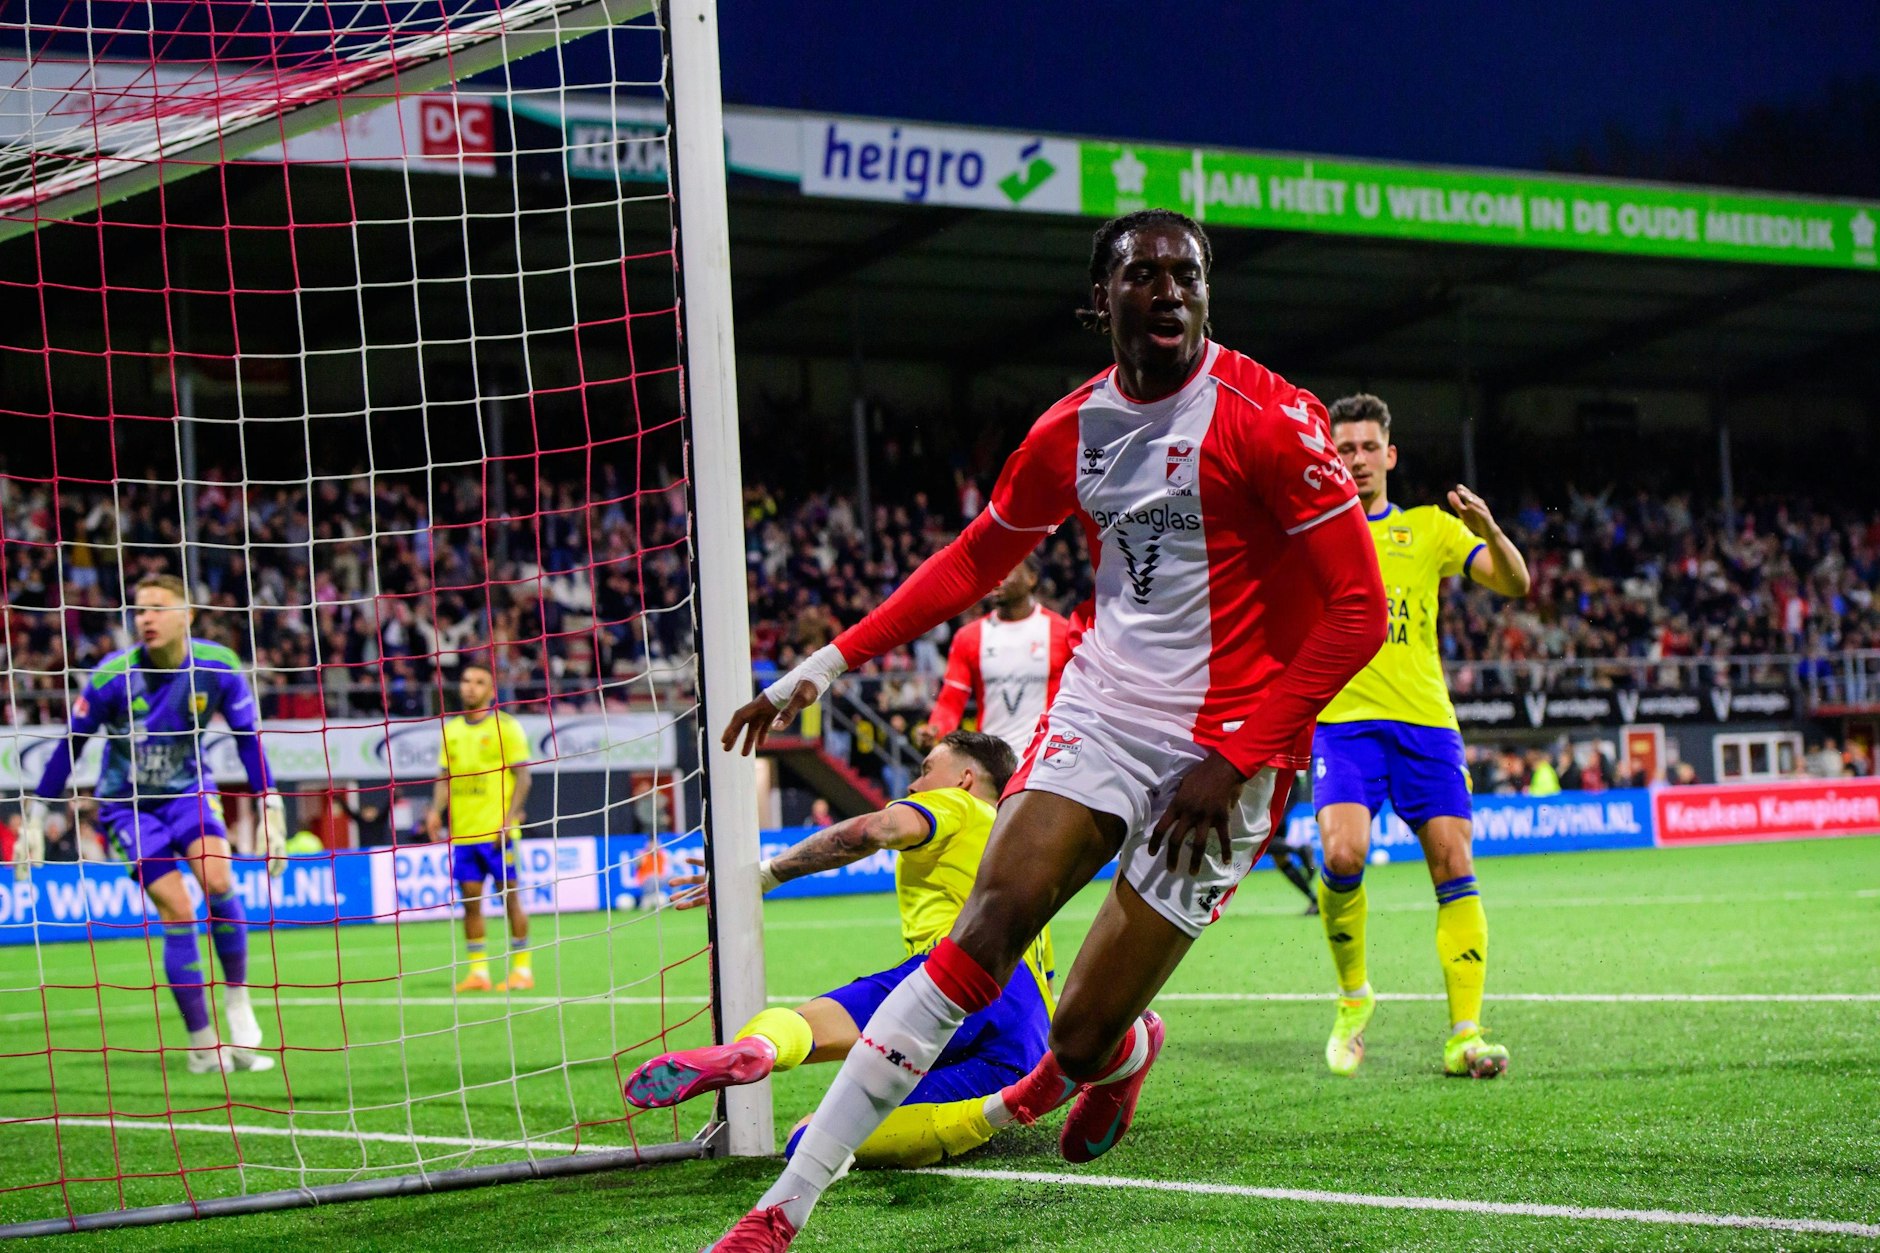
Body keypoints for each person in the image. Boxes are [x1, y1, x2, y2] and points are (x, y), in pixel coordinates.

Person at [706, 208, 1387, 1249]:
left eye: (1187, 277)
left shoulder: (1269, 416)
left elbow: (1356, 610)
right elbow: (973, 558)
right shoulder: (1068, 430)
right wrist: (824, 662)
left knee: (1075, 1031)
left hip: (1233, 746)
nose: (1168, 293)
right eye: (1143, 276)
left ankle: (1114, 1055)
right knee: (988, 919)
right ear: (1099, 299)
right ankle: (781, 1209)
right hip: (1105, 706)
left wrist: (1241, 754)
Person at [624, 731, 1054, 1169]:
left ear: (964, 779)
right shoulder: (1021, 843)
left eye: (925, 770)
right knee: (810, 1138)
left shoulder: (956, 803)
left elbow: (875, 829)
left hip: (956, 970)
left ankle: (762, 1046)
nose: (913, 786)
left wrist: (765, 875)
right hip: (1028, 1024)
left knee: (804, 1044)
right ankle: (1006, 1106)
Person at [1310, 393, 1531, 1080]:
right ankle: (1354, 997)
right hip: (1343, 722)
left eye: (1368, 447)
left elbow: (1516, 584)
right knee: (1343, 851)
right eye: (1344, 448)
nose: (1357, 459)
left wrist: (1490, 529)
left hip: (1426, 724)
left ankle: (1465, 1034)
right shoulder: (1310, 533)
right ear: (1331, 457)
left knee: (1453, 863)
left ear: (1389, 454)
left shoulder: (1431, 528)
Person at [15, 573, 288, 1074]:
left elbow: (248, 739)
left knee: (219, 878)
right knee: (179, 909)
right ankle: (203, 1046)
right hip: (128, 806)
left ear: (188, 615)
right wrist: (35, 813)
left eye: (158, 607)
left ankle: (237, 999)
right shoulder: (110, 677)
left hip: (190, 793)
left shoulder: (218, 667)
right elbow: (70, 745)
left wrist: (269, 804)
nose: (146, 618)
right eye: (139, 609)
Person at [423, 659, 533, 992]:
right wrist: (434, 811)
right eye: (466, 680)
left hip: (498, 833)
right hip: (465, 833)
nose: (470, 686)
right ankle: (479, 972)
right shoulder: (451, 730)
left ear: (490, 690)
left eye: (479, 682)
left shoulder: (506, 727)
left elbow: (523, 777)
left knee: (510, 898)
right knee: (470, 902)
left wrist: (508, 819)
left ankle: (522, 970)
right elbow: (445, 778)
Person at [916, 556, 1072, 760]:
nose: (998, 577)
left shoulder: (1062, 632)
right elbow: (950, 701)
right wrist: (935, 730)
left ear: (1031, 579)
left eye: (1007, 569)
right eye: (995, 570)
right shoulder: (969, 637)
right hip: (992, 762)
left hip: (1045, 759)